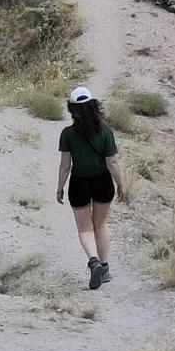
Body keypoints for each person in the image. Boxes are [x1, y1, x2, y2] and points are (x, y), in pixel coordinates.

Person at [56, 85, 124, 289]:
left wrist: (60, 188)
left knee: (85, 229)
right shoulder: (106, 132)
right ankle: (105, 268)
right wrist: (121, 185)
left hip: (79, 183)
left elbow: (65, 166)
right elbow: (112, 163)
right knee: (100, 225)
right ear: (94, 106)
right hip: (102, 182)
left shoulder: (67, 134)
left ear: (72, 109)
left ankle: (93, 262)